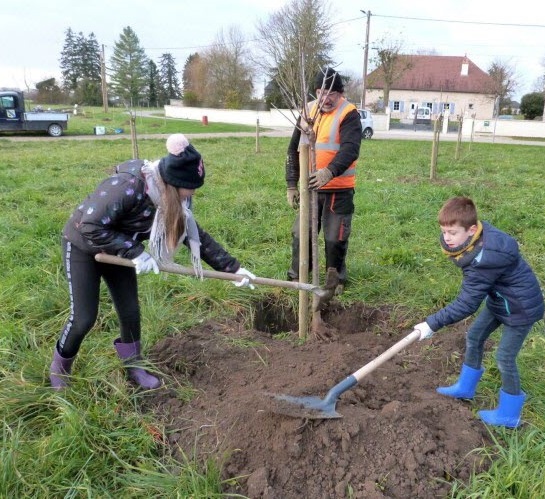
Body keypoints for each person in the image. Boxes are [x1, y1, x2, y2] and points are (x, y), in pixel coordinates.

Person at [49, 134, 256, 390]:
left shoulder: (174, 199)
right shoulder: (128, 186)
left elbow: (195, 235)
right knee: (84, 317)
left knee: (130, 312)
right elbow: (89, 225)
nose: (191, 192)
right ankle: (60, 368)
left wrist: (233, 269)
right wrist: (135, 251)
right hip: (83, 246)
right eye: (189, 187)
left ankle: (134, 364)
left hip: (118, 252)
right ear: (173, 181)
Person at [415, 197, 545, 428]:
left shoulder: (484, 259)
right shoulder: (475, 241)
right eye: (444, 231)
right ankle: (465, 387)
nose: (446, 237)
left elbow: (466, 303)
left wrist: (431, 324)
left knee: (504, 357)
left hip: (520, 309)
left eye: (452, 232)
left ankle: (509, 414)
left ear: (472, 230)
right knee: (474, 336)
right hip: (500, 299)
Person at [285, 67, 362, 295]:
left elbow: (350, 149)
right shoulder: (308, 112)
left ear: (340, 94)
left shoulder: (349, 114)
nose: (325, 99)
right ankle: (298, 277)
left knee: (334, 238)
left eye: (332, 94)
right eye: (321, 92)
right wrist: (292, 184)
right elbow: (293, 149)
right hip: (310, 188)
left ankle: (334, 281)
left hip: (339, 190)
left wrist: (329, 172)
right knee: (301, 234)